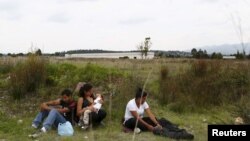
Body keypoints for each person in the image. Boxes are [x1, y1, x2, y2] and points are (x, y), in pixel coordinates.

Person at [123, 88, 194, 140]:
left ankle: (174, 129)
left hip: (140, 121)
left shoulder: (144, 103)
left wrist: (157, 123)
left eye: (145, 99)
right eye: (143, 99)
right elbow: (137, 118)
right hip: (130, 122)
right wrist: (148, 126)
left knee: (158, 120)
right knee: (136, 120)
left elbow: (150, 114)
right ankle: (159, 130)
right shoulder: (131, 104)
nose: (144, 100)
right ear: (138, 98)